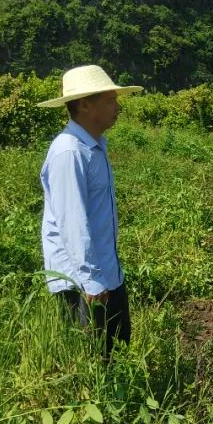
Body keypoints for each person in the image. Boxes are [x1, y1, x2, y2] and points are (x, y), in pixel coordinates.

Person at [37, 65, 143, 362]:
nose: (117, 107)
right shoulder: (69, 152)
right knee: (94, 362)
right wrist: (92, 283)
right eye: (109, 101)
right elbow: (73, 223)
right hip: (82, 282)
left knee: (118, 354)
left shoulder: (94, 146)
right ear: (85, 105)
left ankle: (122, 408)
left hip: (106, 272)